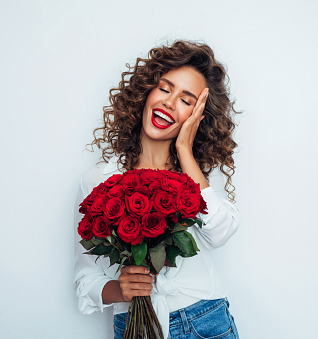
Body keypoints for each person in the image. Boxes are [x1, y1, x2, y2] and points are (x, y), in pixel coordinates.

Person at [73, 40, 240, 339]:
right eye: (165, 88)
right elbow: (85, 278)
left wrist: (185, 150)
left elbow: (220, 232)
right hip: (136, 329)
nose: (169, 102)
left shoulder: (197, 174)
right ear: (146, 92)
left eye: (187, 100)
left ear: (198, 117)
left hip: (205, 322)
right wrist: (120, 289)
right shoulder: (98, 180)